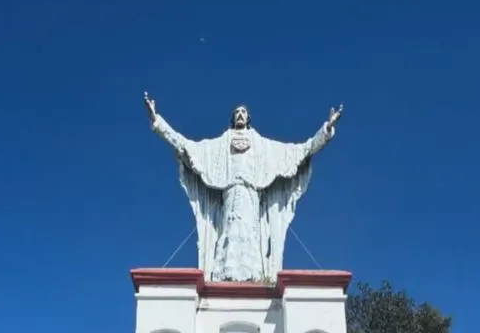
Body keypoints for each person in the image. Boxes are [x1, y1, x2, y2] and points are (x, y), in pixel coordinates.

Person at [144, 95, 342, 283]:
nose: (240, 114)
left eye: (243, 112)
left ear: (248, 118)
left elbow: (302, 150)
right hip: (229, 194)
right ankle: (224, 274)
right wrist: (158, 122)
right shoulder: (218, 145)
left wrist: (325, 131)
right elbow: (184, 145)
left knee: (249, 233)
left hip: (252, 195)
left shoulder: (263, 146)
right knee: (229, 231)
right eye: (236, 112)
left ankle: (253, 274)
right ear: (232, 119)